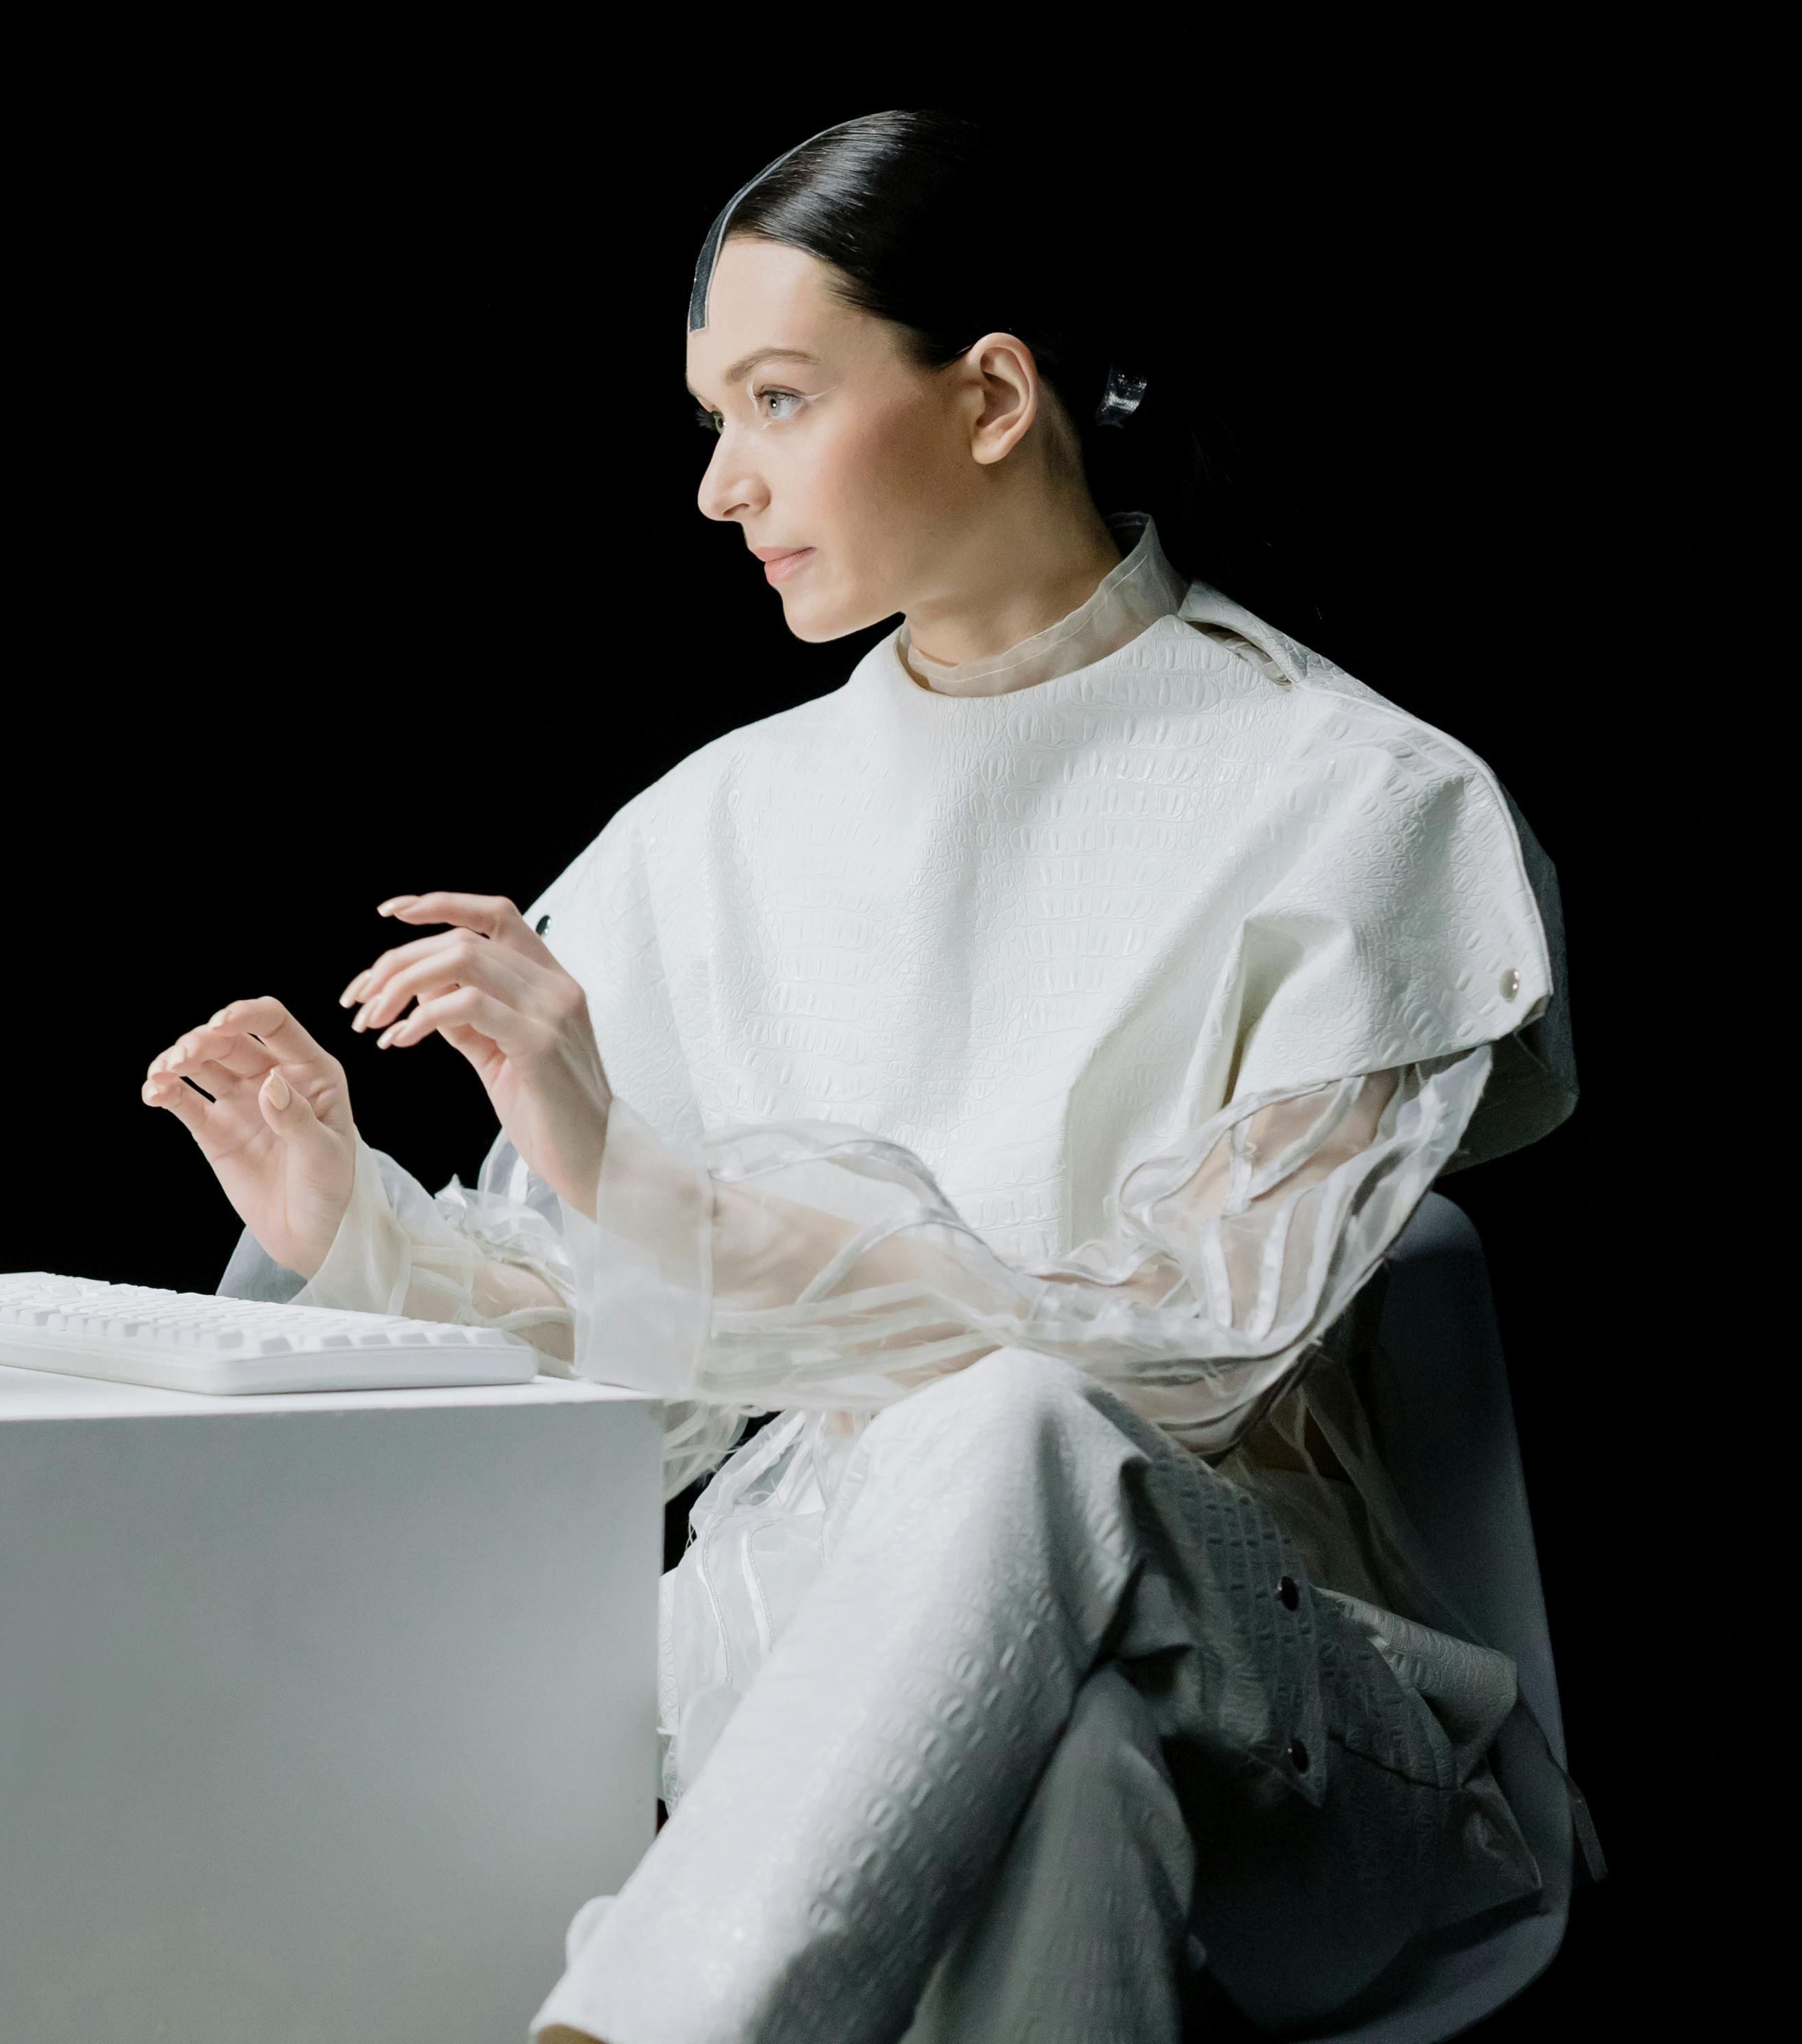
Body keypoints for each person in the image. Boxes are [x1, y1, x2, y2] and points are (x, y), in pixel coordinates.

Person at [140, 112, 1579, 2044]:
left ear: (989, 394)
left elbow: (1177, 1359)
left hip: (1298, 1716)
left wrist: (637, 1176)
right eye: (709, 418)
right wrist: (369, 1239)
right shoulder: (709, 830)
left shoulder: (1358, 803)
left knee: (1013, 1433)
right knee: (1067, 1781)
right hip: (815, 1688)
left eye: (777, 401)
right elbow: (641, 1401)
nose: (721, 486)